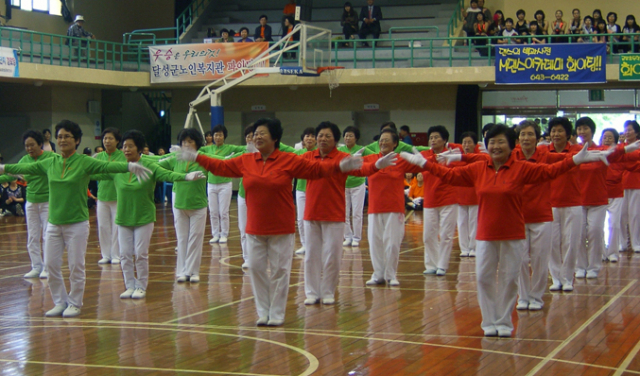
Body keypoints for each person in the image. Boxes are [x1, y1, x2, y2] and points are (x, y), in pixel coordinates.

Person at [401, 124, 601, 337]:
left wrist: (574, 160)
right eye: (492, 142)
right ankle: (489, 321)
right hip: (486, 234)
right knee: (483, 278)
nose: (496, 146)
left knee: (509, 279)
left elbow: (550, 171)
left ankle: (504, 321)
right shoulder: (478, 169)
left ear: (510, 145)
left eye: (501, 142)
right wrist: (425, 164)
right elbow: (449, 175)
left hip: (513, 233)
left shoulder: (521, 168)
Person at [176, 117, 364, 326]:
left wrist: (340, 165)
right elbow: (220, 167)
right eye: (255, 134)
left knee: (279, 272)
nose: (257, 137)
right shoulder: (246, 160)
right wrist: (197, 157)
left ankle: (276, 313)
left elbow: (316, 170)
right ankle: (262, 311)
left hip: (281, 227)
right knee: (255, 269)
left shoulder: (288, 160)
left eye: (262, 133)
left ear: (275, 137)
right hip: (255, 227)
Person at [0, 120, 151, 318]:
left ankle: (75, 303)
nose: (62, 140)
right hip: (54, 223)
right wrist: (2, 168)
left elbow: (107, 167)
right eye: (59, 136)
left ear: (77, 140)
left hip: (77, 223)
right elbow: (24, 169)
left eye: (67, 136)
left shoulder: (84, 162)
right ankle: (59, 301)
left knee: (75, 266)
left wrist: (130, 167)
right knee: (52, 265)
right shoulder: (49, 162)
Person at [93, 130, 201, 299]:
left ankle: (141, 286)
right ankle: (129, 285)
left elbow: (167, 174)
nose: (126, 150)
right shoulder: (119, 167)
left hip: (144, 217)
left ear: (139, 148)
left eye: (130, 146)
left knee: (140, 253)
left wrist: (186, 177)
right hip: (123, 217)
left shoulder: (148, 166)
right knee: (125, 254)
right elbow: (95, 172)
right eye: (124, 147)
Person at [301, 122, 392, 306]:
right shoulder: (309, 157)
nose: (322, 139)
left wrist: (377, 165)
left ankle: (327, 291)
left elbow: (362, 169)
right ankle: (311, 292)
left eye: (327, 136)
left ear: (335, 140)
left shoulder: (344, 157)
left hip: (334, 214)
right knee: (311, 255)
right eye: (320, 136)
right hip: (311, 213)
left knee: (332, 255)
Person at [362, 128, 425, 286]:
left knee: (392, 243)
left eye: (386, 140)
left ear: (395, 143)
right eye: (381, 140)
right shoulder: (371, 159)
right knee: (375, 242)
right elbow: (355, 167)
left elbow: (422, 165)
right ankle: (378, 274)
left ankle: (391, 274)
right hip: (375, 208)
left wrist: (421, 158)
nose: (382, 143)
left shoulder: (400, 160)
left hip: (394, 208)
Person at [0, 131, 55, 278]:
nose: (29, 148)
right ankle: (36, 266)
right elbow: (11, 175)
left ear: (40, 144)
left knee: (47, 235)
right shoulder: (24, 159)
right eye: (26, 146)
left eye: (32, 145)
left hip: (48, 201)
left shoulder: (51, 157)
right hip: (31, 202)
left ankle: (48, 268)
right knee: (32, 236)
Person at [420, 126, 462, 276]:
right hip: (430, 199)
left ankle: (442, 265)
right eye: (431, 137)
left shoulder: (452, 156)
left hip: (449, 198)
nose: (433, 140)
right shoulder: (424, 155)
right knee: (428, 235)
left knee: (446, 234)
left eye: (437, 137)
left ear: (445, 140)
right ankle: (431, 264)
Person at [201, 124, 245, 244]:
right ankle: (215, 234)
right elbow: (196, 151)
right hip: (211, 184)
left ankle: (224, 234)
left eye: (220, 135)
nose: (217, 137)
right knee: (213, 211)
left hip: (225, 184)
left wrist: (231, 158)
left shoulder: (230, 148)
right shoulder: (208, 149)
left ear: (224, 136)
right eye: (215, 135)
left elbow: (244, 150)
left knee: (223, 211)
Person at [94, 128, 125, 265]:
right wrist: (109, 173)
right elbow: (92, 174)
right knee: (103, 226)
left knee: (117, 227)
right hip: (102, 197)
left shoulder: (122, 156)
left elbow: (121, 174)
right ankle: (105, 254)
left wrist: (106, 173)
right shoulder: (98, 157)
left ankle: (116, 254)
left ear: (117, 141)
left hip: (118, 197)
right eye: (105, 138)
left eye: (110, 138)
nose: (107, 141)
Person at [339, 126, 375, 247]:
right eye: (346, 135)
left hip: (358, 184)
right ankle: (347, 236)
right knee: (344, 212)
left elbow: (374, 158)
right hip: (343, 185)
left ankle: (357, 237)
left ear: (356, 138)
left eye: (350, 136)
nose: (347, 138)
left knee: (357, 213)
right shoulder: (340, 150)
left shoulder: (362, 149)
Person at [293, 127, 317, 255]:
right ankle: (304, 244)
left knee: (312, 220)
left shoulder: (319, 154)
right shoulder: (298, 153)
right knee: (301, 220)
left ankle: (314, 245)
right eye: (307, 136)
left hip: (315, 190)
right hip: (300, 189)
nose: (310, 138)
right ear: (303, 139)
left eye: (312, 136)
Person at [456, 131, 479, 257]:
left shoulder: (479, 159)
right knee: (462, 223)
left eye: (469, 142)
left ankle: (473, 248)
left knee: (474, 223)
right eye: (464, 142)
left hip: (475, 196)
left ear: (475, 145)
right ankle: (464, 248)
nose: (466, 144)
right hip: (460, 196)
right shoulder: (457, 159)